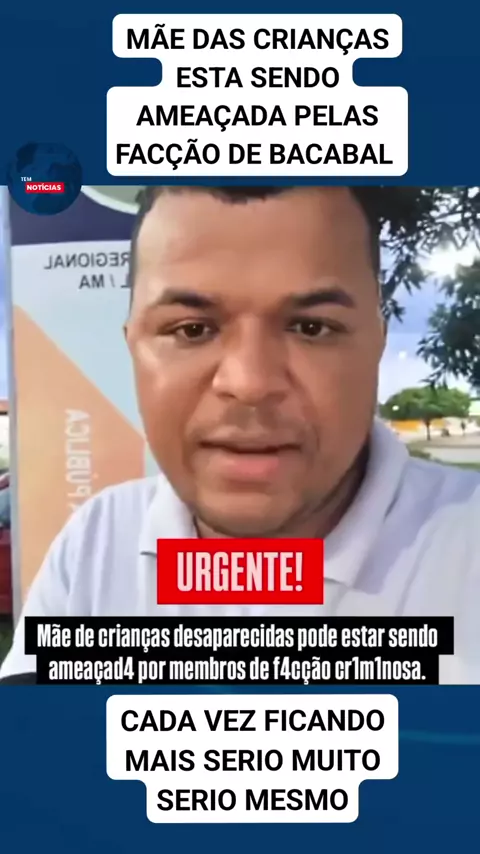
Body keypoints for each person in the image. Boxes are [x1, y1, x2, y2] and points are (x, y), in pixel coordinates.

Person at [1, 185, 480, 682]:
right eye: (191, 329)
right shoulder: (99, 539)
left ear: (376, 344)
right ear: (133, 347)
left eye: (312, 327)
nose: (250, 384)